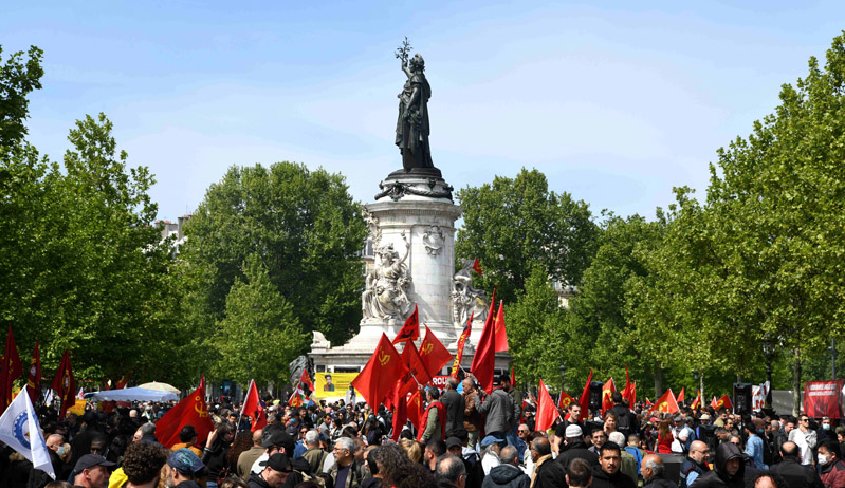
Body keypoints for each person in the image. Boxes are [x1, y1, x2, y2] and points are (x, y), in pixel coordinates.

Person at [478, 377, 515, 443]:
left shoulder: (490, 395)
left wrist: (477, 398)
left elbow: (481, 409)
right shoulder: (508, 396)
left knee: (494, 450)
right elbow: (515, 410)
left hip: (493, 428)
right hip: (506, 427)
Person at [463, 378, 483, 448]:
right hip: (469, 426)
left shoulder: (473, 395)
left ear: (470, 386)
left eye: (464, 386)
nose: (463, 388)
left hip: (471, 427)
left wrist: (459, 411)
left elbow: (469, 411)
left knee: (470, 447)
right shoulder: (466, 395)